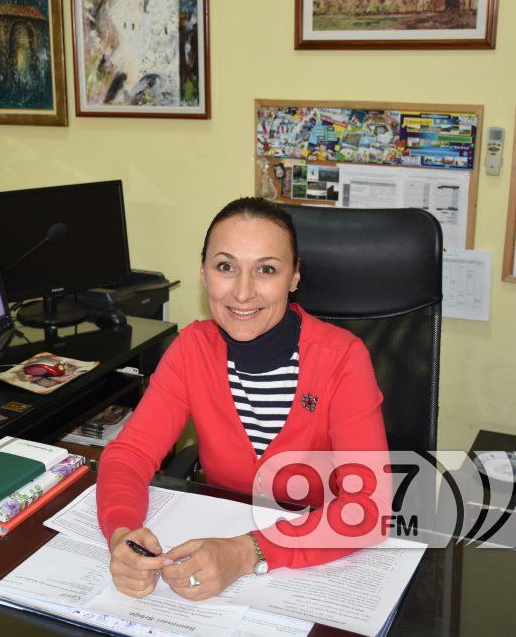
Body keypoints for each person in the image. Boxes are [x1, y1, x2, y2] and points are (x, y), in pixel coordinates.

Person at [97, 197, 388, 601]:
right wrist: (122, 534)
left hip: (315, 560)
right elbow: (129, 455)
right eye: (225, 267)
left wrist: (248, 552)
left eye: (266, 269)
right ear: (203, 272)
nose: (243, 292)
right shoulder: (191, 349)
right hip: (213, 541)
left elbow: (369, 507)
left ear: (294, 276)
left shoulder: (342, 358)